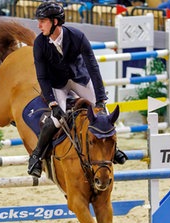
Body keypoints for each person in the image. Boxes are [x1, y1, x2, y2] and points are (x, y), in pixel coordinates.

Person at [28, 1, 127, 178]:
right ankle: (36, 155)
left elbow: (93, 67)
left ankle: (115, 149)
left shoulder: (76, 36)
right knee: (57, 120)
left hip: (79, 79)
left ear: (55, 22)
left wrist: (100, 98)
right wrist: (52, 104)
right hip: (57, 85)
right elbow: (42, 77)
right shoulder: (39, 44)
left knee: (103, 112)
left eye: (43, 21)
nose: (39, 25)